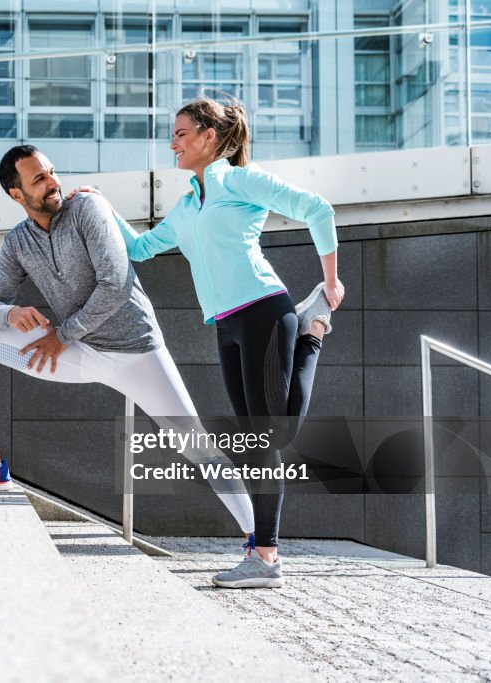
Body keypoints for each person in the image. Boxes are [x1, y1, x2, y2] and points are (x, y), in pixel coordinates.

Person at [0, 144, 256, 541]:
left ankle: (260, 543)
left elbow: (115, 284)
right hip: (82, 353)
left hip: (138, 352)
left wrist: (61, 336)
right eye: (39, 179)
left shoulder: (86, 209)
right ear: (17, 195)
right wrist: (9, 314)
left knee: (197, 448)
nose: (53, 183)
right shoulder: (18, 242)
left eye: (52, 172)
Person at [83, 98, 343, 588]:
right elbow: (140, 249)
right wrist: (103, 207)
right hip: (226, 325)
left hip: (265, 309)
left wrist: (331, 283)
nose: (173, 142)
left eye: (181, 133)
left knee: (269, 440)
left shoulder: (239, 180)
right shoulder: (186, 206)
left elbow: (317, 209)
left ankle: (264, 559)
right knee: (259, 441)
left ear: (209, 137)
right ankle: (313, 333)